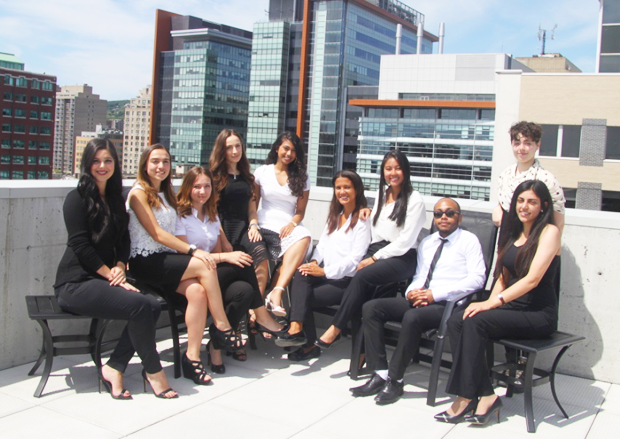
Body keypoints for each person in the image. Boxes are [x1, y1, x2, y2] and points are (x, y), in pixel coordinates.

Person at [54, 139, 177, 399]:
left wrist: (120, 265)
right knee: (142, 306)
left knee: (152, 306)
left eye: (108, 160)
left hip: (105, 277)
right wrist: (110, 273)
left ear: (115, 164)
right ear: (87, 164)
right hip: (75, 283)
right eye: (96, 161)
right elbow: (79, 245)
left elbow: (124, 240)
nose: (102, 166)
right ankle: (154, 371)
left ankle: (114, 366)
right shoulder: (75, 199)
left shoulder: (115, 198)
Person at [435, 180, 561, 426]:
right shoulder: (512, 232)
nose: (524, 206)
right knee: (458, 321)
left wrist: (490, 305)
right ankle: (486, 394)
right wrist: (490, 301)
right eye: (521, 200)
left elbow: (532, 280)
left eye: (532, 202)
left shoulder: (549, 232)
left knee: (476, 322)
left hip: (537, 313)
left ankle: (464, 397)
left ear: (543, 205)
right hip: (512, 307)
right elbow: (502, 278)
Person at [127, 144, 244, 387]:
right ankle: (222, 326)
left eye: (165, 162)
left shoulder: (166, 193)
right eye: (155, 162)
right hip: (146, 261)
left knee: (198, 292)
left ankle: (192, 358)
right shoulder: (138, 193)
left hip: (166, 259)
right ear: (144, 165)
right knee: (205, 264)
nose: (160, 167)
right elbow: (157, 234)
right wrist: (194, 251)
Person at [352, 198, 486, 405]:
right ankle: (379, 372)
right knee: (372, 308)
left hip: (447, 304)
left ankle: (395, 380)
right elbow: (419, 275)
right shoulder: (427, 242)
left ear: (459, 217)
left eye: (450, 213)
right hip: (421, 298)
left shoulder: (469, 240)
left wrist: (435, 294)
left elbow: (478, 278)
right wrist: (412, 292)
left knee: (412, 317)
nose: (444, 217)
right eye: (439, 213)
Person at [175, 166, 286, 372]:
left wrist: (224, 256)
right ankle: (259, 315)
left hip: (211, 274)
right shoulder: (180, 215)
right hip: (190, 276)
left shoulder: (211, 215)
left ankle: (216, 343)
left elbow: (217, 259)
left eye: (207, 186)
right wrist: (227, 256)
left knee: (245, 290)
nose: (202, 191)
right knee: (243, 261)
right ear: (188, 188)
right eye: (197, 186)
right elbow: (183, 257)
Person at [316, 149, 426, 349]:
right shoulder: (382, 194)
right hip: (377, 250)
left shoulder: (414, 199)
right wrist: (366, 211)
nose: (393, 173)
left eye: (397, 168)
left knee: (362, 274)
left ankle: (336, 328)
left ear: (406, 171)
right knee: (359, 280)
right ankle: (362, 352)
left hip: (402, 256)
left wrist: (374, 259)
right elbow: (376, 227)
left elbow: (405, 241)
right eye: (388, 169)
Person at [275, 170, 371, 361]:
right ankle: (297, 328)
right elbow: (323, 247)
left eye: (347, 187)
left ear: (357, 189)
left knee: (304, 297)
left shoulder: (362, 220)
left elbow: (354, 260)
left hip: (346, 282)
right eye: (338, 188)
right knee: (301, 273)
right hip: (325, 274)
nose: (342, 191)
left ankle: (306, 340)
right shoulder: (335, 216)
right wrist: (313, 263)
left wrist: (323, 270)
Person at [253, 132, 312, 316]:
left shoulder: (302, 176)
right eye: (286, 148)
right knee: (299, 243)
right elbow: (253, 204)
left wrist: (292, 224)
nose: (289, 154)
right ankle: (270, 296)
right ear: (277, 147)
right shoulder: (262, 172)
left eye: (294, 151)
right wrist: (252, 224)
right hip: (264, 222)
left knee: (304, 237)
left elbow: (300, 212)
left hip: (288, 225)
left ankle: (276, 291)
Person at [493, 121, 565, 231]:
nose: (521, 148)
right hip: (507, 237)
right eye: (517, 143)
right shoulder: (505, 175)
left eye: (527, 143)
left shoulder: (546, 179)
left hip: (534, 238)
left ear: (537, 145)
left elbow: (558, 222)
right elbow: (503, 205)